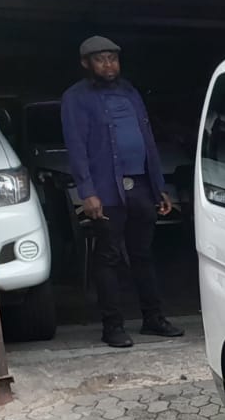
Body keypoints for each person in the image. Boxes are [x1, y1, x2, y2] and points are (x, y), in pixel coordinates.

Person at [60, 35, 183, 348]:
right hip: (106, 190)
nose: (108, 64)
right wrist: (88, 192)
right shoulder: (76, 98)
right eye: (100, 59)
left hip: (141, 185)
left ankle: (153, 319)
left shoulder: (129, 91)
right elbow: (76, 148)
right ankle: (112, 326)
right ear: (86, 63)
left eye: (112, 58)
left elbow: (147, 140)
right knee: (110, 256)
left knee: (143, 254)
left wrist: (158, 187)